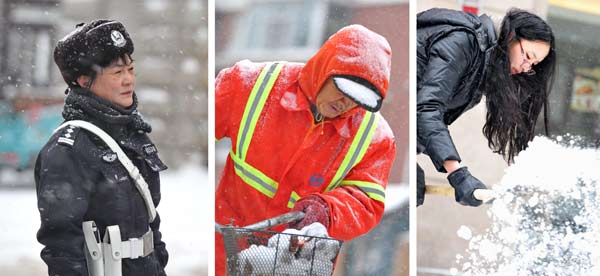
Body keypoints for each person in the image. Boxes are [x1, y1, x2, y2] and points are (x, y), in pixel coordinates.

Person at [215, 24, 396, 274]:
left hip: (296, 263)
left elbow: (366, 202)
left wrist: (328, 210)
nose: (347, 104)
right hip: (226, 251)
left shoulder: (376, 137)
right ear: (324, 68)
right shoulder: (249, 85)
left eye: (358, 100)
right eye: (344, 90)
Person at [35, 20, 168, 276]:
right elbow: (61, 245)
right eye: (117, 73)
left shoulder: (134, 135)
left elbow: (151, 221)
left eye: (131, 70)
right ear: (85, 81)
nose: (129, 80)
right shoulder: (68, 149)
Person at [416, 8, 556, 206]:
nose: (526, 66)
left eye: (533, 64)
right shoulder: (463, 42)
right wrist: (458, 175)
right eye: (527, 55)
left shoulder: (482, 69)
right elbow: (426, 109)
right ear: (510, 37)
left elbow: (423, 121)